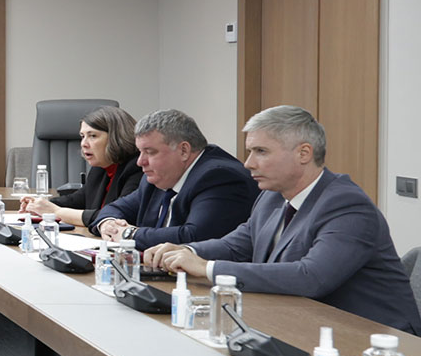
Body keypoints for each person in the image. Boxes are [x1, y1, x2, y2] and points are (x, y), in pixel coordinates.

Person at [145, 107, 420, 334]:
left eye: (261, 151)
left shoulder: (347, 205)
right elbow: (236, 245)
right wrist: (185, 251)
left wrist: (207, 268)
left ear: (304, 153)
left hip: (375, 338)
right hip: (304, 324)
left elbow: (311, 277)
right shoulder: (272, 197)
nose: (248, 163)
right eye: (250, 151)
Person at [92, 109, 255, 248]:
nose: (140, 162)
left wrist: (129, 234)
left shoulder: (219, 177)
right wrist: (108, 223)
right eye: (140, 152)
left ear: (184, 150)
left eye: (150, 152)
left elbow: (194, 236)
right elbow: (115, 208)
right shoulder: (158, 178)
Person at [21, 105, 144, 231]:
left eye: (93, 136)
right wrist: (39, 205)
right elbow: (78, 199)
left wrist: (55, 211)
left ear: (116, 137)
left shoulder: (139, 167)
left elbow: (116, 218)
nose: (83, 144)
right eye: (82, 136)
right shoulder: (101, 167)